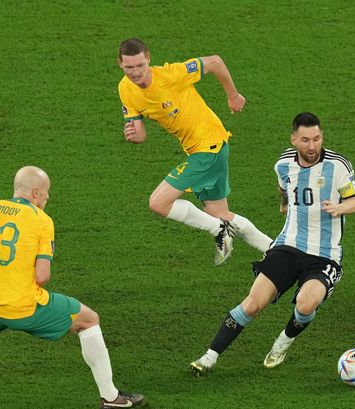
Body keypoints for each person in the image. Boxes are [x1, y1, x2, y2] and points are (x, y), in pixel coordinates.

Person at [0, 166, 144, 409]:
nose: (48, 198)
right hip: (26, 309)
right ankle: (110, 396)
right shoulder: (42, 220)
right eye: (47, 193)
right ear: (36, 193)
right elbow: (42, 276)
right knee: (89, 320)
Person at [189, 112, 355, 375]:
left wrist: (340, 207)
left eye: (316, 139)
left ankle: (284, 340)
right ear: (294, 139)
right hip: (288, 245)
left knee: (305, 303)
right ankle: (209, 357)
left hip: (325, 254)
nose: (312, 146)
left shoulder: (338, 165)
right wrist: (283, 205)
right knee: (253, 303)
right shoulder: (283, 164)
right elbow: (284, 189)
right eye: (305, 140)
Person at [117, 38, 272, 265]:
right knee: (221, 214)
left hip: (208, 148)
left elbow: (215, 62)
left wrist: (233, 95)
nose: (136, 72)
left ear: (148, 59)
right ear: (120, 64)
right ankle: (277, 250)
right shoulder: (125, 89)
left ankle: (220, 231)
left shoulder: (171, 75)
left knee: (158, 203)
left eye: (140, 65)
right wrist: (133, 135)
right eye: (129, 67)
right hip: (207, 149)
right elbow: (140, 135)